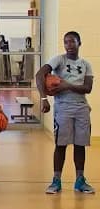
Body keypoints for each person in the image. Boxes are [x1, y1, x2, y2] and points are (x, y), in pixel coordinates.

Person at [36, 31, 94, 194]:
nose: (69, 45)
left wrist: (66, 85)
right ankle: (56, 181)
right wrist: (43, 98)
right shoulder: (58, 60)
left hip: (82, 106)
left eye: (72, 42)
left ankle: (80, 181)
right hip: (63, 107)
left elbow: (87, 88)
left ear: (79, 43)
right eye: (66, 42)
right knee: (60, 144)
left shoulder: (86, 64)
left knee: (80, 144)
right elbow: (40, 74)